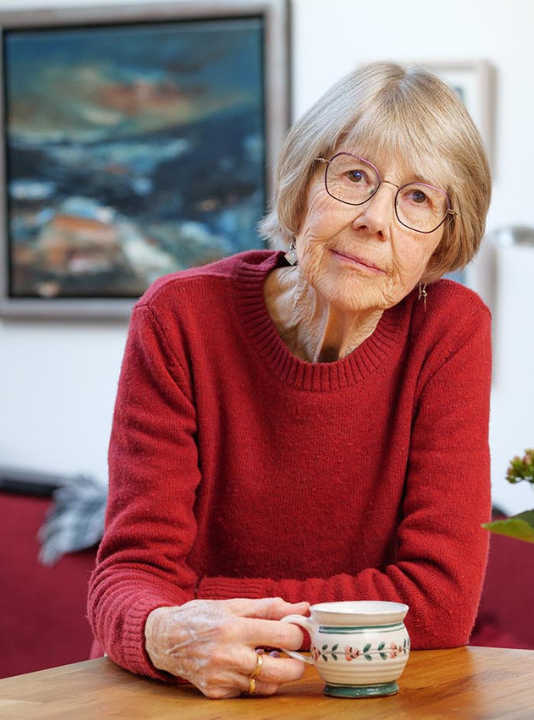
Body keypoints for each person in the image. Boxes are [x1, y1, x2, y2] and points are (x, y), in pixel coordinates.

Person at [86, 62, 493, 699]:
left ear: (443, 239)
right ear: (304, 184)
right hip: (179, 695)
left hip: (352, 700)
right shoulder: (178, 319)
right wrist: (167, 628)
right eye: (356, 176)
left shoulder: (449, 330)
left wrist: (205, 602)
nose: (375, 219)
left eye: (419, 198)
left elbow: (440, 602)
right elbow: (130, 580)